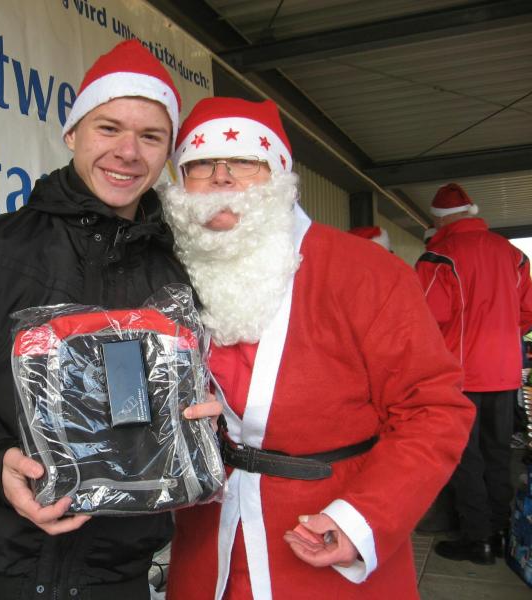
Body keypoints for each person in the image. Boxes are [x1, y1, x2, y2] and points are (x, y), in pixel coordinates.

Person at [0, 39, 220, 600]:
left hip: (114, 577)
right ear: (72, 133)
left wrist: (207, 422)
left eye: (151, 136)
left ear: (167, 154)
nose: (128, 152)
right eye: (109, 128)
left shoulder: (178, 272)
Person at [159, 97, 474, 599]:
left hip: (322, 540)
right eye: (201, 164)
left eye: (243, 160)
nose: (221, 178)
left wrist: (363, 517)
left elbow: (433, 409)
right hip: (207, 548)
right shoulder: (165, 272)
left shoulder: (366, 272)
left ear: (279, 173)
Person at [416, 183, 532, 565]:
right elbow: (527, 313)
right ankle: (499, 533)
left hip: (459, 375)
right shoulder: (514, 255)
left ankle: (477, 538)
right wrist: (500, 341)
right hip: (505, 374)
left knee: (465, 457)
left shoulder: (438, 257)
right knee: (498, 453)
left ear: (439, 220)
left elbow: (427, 320)